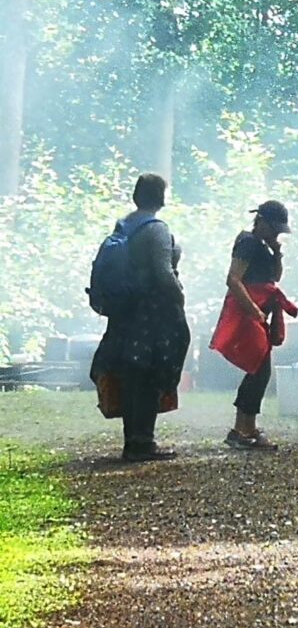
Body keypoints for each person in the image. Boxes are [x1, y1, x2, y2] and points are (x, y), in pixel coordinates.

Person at [89, 173, 191, 462]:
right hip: (152, 315)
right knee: (149, 374)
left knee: (132, 373)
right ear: (161, 197)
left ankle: (132, 440)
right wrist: (179, 296)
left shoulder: (126, 224)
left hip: (126, 312)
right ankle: (143, 441)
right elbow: (163, 273)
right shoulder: (156, 229)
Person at [212, 200, 296, 450]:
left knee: (259, 369)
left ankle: (246, 427)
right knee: (259, 368)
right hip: (247, 311)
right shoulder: (247, 242)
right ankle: (241, 429)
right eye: (274, 229)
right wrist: (254, 311)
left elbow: (276, 276)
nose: (276, 233)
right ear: (260, 222)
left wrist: (276, 251)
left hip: (259, 311)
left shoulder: (263, 246)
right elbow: (234, 279)